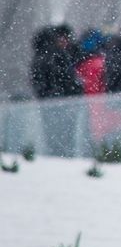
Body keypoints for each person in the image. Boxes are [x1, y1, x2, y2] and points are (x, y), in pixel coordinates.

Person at [30, 24, 83, 156]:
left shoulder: (38, 57)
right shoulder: (57, 55)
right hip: (63, 103)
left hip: (47, 105)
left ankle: (55, 156)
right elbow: (67, 78)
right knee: (65, 138)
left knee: (51, 137)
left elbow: (38, 83)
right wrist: (76, 89)